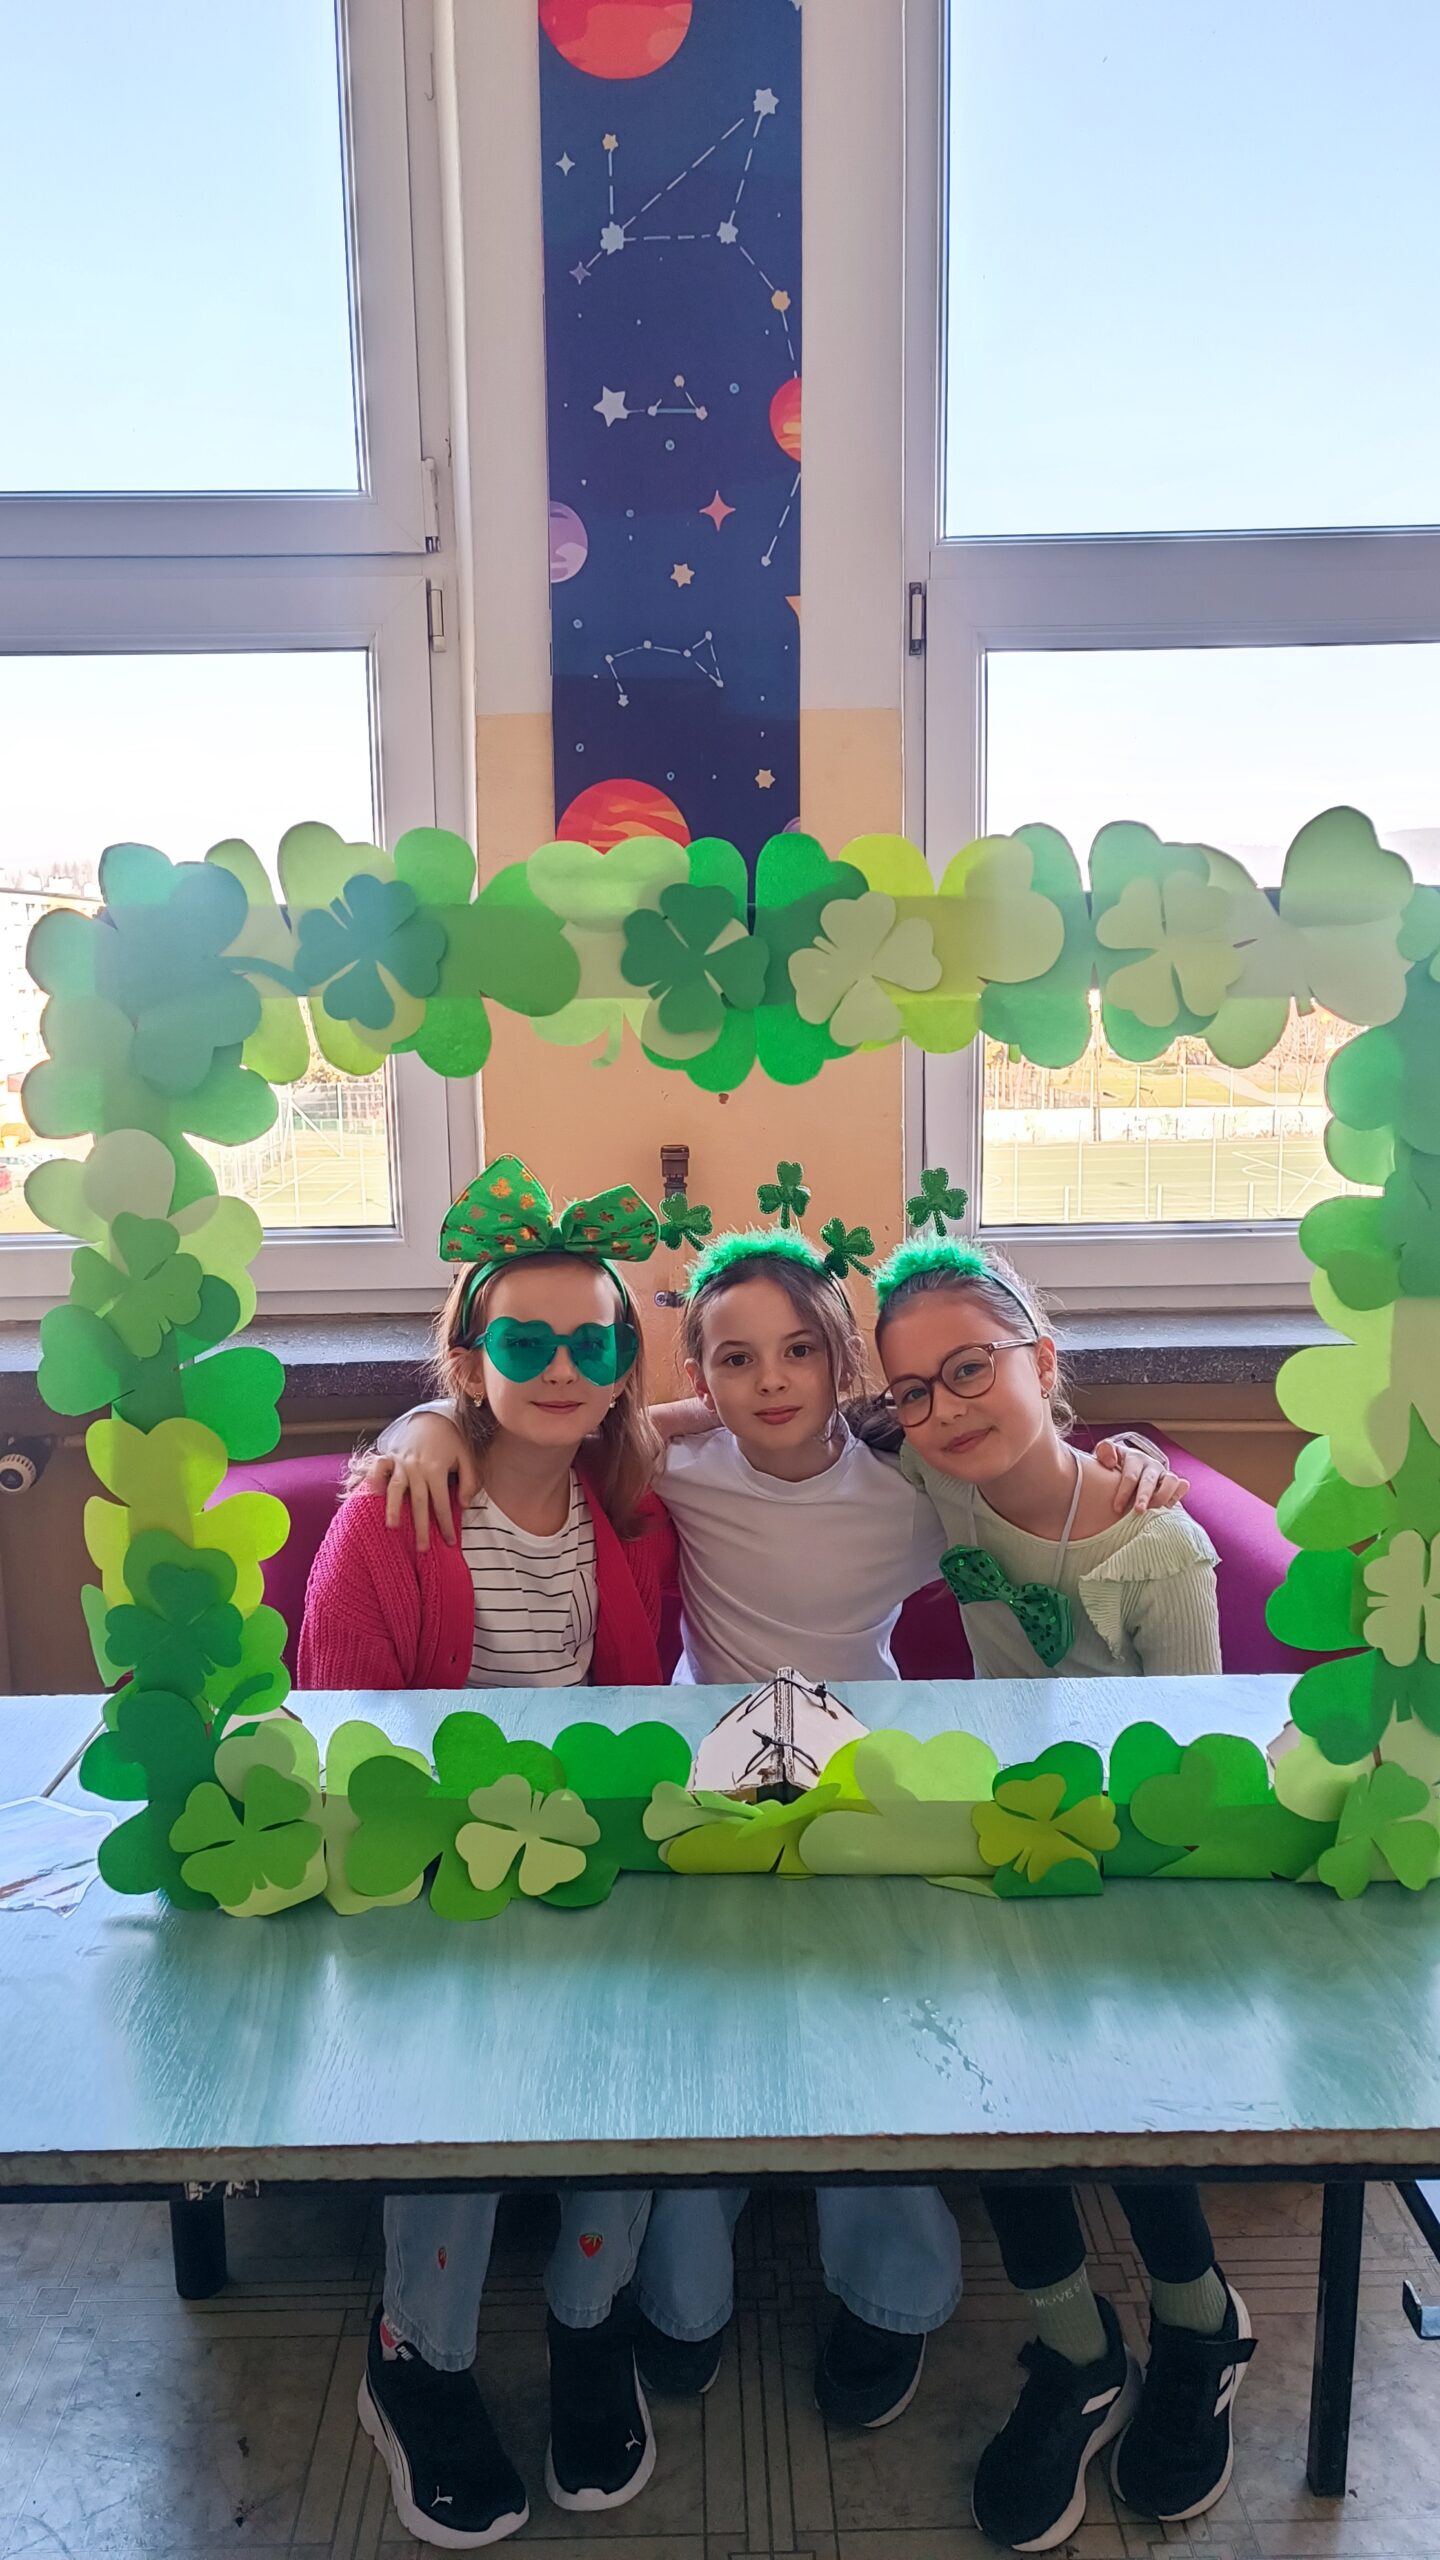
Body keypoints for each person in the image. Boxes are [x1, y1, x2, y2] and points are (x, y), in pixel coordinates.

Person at [367, 1187, 1183, 2466]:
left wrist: (1133, 1458)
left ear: (844, 1360)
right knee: (709, 2019)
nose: (772, 1381)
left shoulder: (917, 1485)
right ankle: (677, 2297)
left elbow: (1035, 1470)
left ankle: (892, 2293)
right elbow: (538, 1425)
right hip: (715, 1776)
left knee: (878, 2015)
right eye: (735, 1360)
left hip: (868, 1773)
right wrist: (419, 1417)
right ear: (697, 1377)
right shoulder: (670, 1471)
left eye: (800, 1350)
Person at [298, 1157, 677, 2551]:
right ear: (468, 1360)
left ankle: (592, 2325)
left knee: (638, 2044)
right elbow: (344, 1745)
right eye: (525, 1343)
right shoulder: (394, 1515)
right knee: (448, 2074)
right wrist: (411, 1430)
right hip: (424, 1875)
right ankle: (419, 2357)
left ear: (625, 1368)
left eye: (594, 1343)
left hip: (581, 1861)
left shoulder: (629, 1513)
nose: (562, 1367)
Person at [871, 1232, 1253, 2553]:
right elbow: (775, 1417)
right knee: (983, 2073)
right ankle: (1075, 2347)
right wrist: (426, 1427)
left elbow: (1195, 1772)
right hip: (1006, 1848)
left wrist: (1129, 1459)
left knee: (1119, 2084)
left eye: (972, 1367)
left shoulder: (1159, 1548)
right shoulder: (939, 1470)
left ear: (1042, 1358)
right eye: (914, 1388)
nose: (945, 1406)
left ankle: (1202, 2322)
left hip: (1138, 1867)